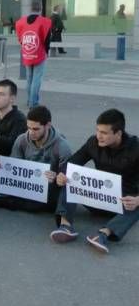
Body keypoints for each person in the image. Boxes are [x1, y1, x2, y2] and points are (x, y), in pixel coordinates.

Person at [50, 109, 139, 254]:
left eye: (104, 133)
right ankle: (65, 226)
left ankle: (103, 234)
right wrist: (61, 175)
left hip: (122, 204)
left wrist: (137, 200)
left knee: (137, 205)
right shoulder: (93, 142)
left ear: (118, 133)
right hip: (96, 197)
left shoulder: (136, 148)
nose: (99, 136)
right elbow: (72, 163)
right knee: (70, 178)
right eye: (97, 130)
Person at [0, 105, 71, 212]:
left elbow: (66, 177)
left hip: (49, 188)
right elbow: (14, 167)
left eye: (36, 129)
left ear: (47, 125)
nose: (31, 132)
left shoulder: (62, 146)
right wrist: (3, 168)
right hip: (28, 186)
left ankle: (9, 202)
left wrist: (56, 177)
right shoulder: (22, 140)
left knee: (55, 201)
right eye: (28, 127)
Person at [15, 1, 51, 108]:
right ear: (40, 8)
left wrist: (25, 47)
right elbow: (47, 40)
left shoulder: (20, 22)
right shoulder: (45, 22)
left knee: (29, 78)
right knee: (36, 79)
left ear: (30, 8)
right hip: (39, 53)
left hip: (27, 54)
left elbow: (20, 38)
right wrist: (46, 52)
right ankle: (33, 103)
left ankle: (29, 100)